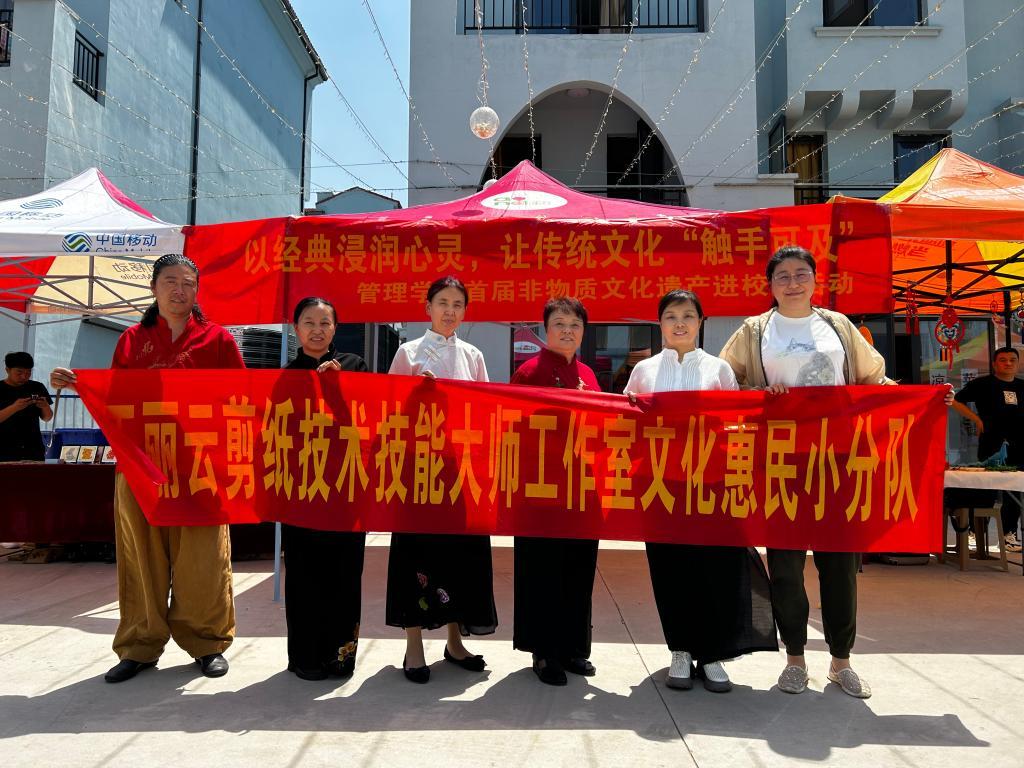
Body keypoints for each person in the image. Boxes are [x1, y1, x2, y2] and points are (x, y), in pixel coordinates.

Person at [50, 253, 244, 684]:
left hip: (199, 469)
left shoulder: (217, 340)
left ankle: (207, 642)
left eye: (188, 283)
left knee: (203, 560)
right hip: (142, 467)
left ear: (197, 291)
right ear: (154, 288)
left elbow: (240, 398)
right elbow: (115, 397)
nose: (179, 290)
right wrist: (78, 382)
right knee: (141, 557)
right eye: (171, 281)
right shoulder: (132, 341)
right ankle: (140, 645)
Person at [720, 245, 896, 699]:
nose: (793, 282)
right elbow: (725, 383)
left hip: (838, 461)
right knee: (785, 567)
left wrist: (922, 399)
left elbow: (874, 380)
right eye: (783, 276)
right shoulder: (755, 330)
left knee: (840, 566)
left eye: (801, 274)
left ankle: (841, 661)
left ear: (817, 281)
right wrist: (759, 393)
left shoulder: (838, 326)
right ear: (770, 285)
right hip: (781, 463)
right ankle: (795, 659)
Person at [624, 290, 777, 693]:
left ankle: (712, 653)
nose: (680, 323)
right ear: (660, 324)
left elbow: (737, 424)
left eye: (688, 315)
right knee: (670, 569)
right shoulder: (644, 371)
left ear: (700, 322)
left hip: (711, 487)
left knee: (715, 568)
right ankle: (680, 648)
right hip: (662, 487)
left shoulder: (718, 369)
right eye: (671, 316)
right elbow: (627, 423)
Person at [386, 275, 497, 683]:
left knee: (460, 557)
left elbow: (485, 410)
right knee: (415, 556)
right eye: (443, 303)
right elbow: (389, 409)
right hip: (418, 472)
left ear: (465, 311)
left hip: (460, 472)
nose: (450, 311)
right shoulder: (408, 352)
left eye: (457, 304)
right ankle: (414, 645)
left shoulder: (473, 355)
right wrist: (418, 396)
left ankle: (454, 641)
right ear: (427, 307)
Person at [511, 297, 601, 686]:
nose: (567, 331)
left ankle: (573, 648)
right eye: (560, 324)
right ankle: (544, 651)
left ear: (583, 332)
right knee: (542, 570)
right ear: (546, 330)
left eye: (575, 325)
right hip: (541, 489)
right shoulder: (529, 372)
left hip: (582, 488)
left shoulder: (588, 374)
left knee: (578, 569)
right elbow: (515, 427)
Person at [281, 297, 368, 680]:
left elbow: (369, 420)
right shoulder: (286, 376)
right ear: (296, 328)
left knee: (345, 573)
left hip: (346, 487)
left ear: (335, 328)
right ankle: (305, 657)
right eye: (309, 322)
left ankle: (341, 656)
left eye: (325, 323)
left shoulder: (355, 366)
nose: (317, 330)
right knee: (303, 574)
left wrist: (339, 386)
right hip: (301, 490)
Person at [949, 346, 1024, 552]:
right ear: (994, 364)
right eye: (1003, 360)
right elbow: (954, 400)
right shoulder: (983, 384)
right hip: (991, 443)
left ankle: (1009, 534)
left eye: (1012, 360)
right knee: (985, 489)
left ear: (1017, 363)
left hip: (1019, 445)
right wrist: (975, 419)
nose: (1008, 363)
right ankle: (976, 532)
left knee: (1014, 490)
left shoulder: (1021, 386)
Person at [0, 351, 54, 462]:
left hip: (33, 451)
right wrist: (14, 407)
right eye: (19, 373)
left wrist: (45, 406)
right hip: (4, 451)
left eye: (28, 372)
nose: (24, 376)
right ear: (7, 370)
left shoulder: (37, 387)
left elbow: (47, 418)